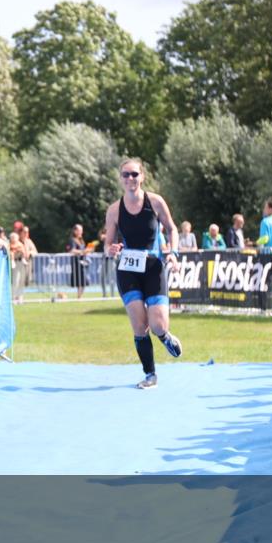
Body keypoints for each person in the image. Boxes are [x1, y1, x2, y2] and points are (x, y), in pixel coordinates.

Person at [104, 158, 183, 390]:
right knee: (140, 326)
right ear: (120, 179)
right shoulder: (114, 210)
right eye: (126, 175)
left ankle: (165, 336)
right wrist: (111, 249)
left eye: (134, 174)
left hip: (152, 267)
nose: (130, 179)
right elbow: (108, 244)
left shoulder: (155, 202)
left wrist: (174, 252)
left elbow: (172, 228)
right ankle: (150, 375)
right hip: (128, 269)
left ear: (142, 176)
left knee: (157, 325)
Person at [66, 224, 92, 298]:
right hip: (77, 263)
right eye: (80, 230)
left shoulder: (81, 240)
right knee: (80, 281)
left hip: (83, 262)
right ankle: (79, 296)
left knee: (84, 281)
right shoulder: (72, 240)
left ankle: (79, 296)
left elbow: (83, 250)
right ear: (75, 231)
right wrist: (83, 251)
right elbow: (72, 250)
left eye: (82, 230)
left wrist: (88, 250)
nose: (81, 232)